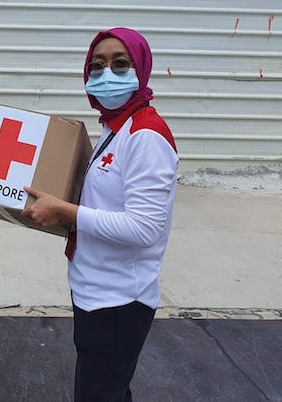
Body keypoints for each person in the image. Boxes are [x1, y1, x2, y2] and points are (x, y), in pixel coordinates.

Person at [22, 27, 178, 401]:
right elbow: (103, 204)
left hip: (120, 301)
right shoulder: (116, 128)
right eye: (97, 66)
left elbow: (144, 228)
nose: (106, 74)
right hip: (95, 291)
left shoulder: (146, 135)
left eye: (121, 64)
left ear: (141, 68)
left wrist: (65, 210)